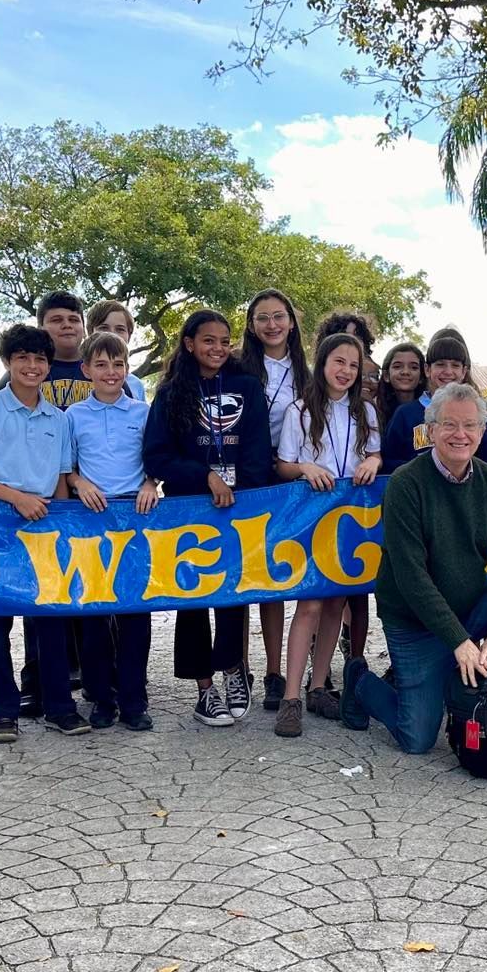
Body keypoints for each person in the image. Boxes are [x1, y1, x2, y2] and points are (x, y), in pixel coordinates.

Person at [338, 383, 487, 753]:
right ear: (431, 430)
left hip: (471, 602)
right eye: (450, 425)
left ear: (482, 431)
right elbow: (412, 577)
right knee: (417, 739)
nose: (461, 434)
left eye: (470, 425)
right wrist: (459, 641)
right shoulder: (405, 483)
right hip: (414, 619)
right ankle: (360, 681)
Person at [0, 324, 83, 742]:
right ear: (8, 362)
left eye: (40, 359)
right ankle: (2, 710)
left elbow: (61, 479)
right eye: (22, 357)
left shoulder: (59, 419)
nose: (32, 366)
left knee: (50, 621)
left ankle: (59, 706)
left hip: (44, 525)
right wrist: (15, 498)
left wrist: (62, 527)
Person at [143, 309, 273, 726]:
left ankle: (234, 669)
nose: (218, 348)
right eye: (208, 340)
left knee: (233, 593)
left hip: (238, 508)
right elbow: (157, 456)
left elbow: (258, 446)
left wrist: (244, 493)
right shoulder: (170, 393)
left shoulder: (247, 386)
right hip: (189, 509)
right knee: (194, 598)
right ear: (189, 343)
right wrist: (205, 476)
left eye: (224, 340)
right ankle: (204, 689)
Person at [273, 333, 382, 736]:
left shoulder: (365, 411)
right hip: (312, 517)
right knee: (310, 605)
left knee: (337, 602)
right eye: (339, 361)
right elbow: (283, 464)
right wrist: (305, 468)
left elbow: (375, 452)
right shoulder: (299, 410)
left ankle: (318, 687)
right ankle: (290, 697)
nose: (346, 371)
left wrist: (373, 461)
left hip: (350, 519)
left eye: (353, 365)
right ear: (322, 363)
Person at [65, 330, 159, 732]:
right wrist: (79, 483)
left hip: (134, 516)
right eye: (101, 365)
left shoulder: (143, 412)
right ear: (86, 369)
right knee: (94, 615)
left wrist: (150, 483)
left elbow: (155, 459)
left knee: (135, 613)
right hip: (91, 519)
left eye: (118, 364)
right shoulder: (73, 416)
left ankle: (134, 699)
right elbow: (66, 467)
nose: (110, 372)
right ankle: (102, 698)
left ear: (127, 368)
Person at [239, 288, 312, 711]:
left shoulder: (306, 371)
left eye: (279, 316)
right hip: (244, 476)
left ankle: (273, 670)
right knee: (240, 573)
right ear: (251, 325)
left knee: (275, 573)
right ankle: (239, 667)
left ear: (291, 321)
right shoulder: (237, 366)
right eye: (263, 317)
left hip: (288, 476)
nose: (272, 324)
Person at [381, 335, 472, 472]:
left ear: (464, 372)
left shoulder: (472, 413)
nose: (448, 372)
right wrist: (423, 470)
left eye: (455, 365)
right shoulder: (405, 414)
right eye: (440, 364)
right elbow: (387, 460)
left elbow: (482, 457)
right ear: (427, 369)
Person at [86, 300, 147, 402]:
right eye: (104, 328)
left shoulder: (136, 385)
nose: (112, 334)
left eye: (120, 329)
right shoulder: (79, 378)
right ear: (90, 333)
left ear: (129, 336)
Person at [376, 342, 426, 431]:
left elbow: (422, 442)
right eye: (397, 366)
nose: (405, 372)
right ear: (386, 375)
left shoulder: (429, 411)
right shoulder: (374, 411)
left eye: (413, 367)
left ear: (421, 377)